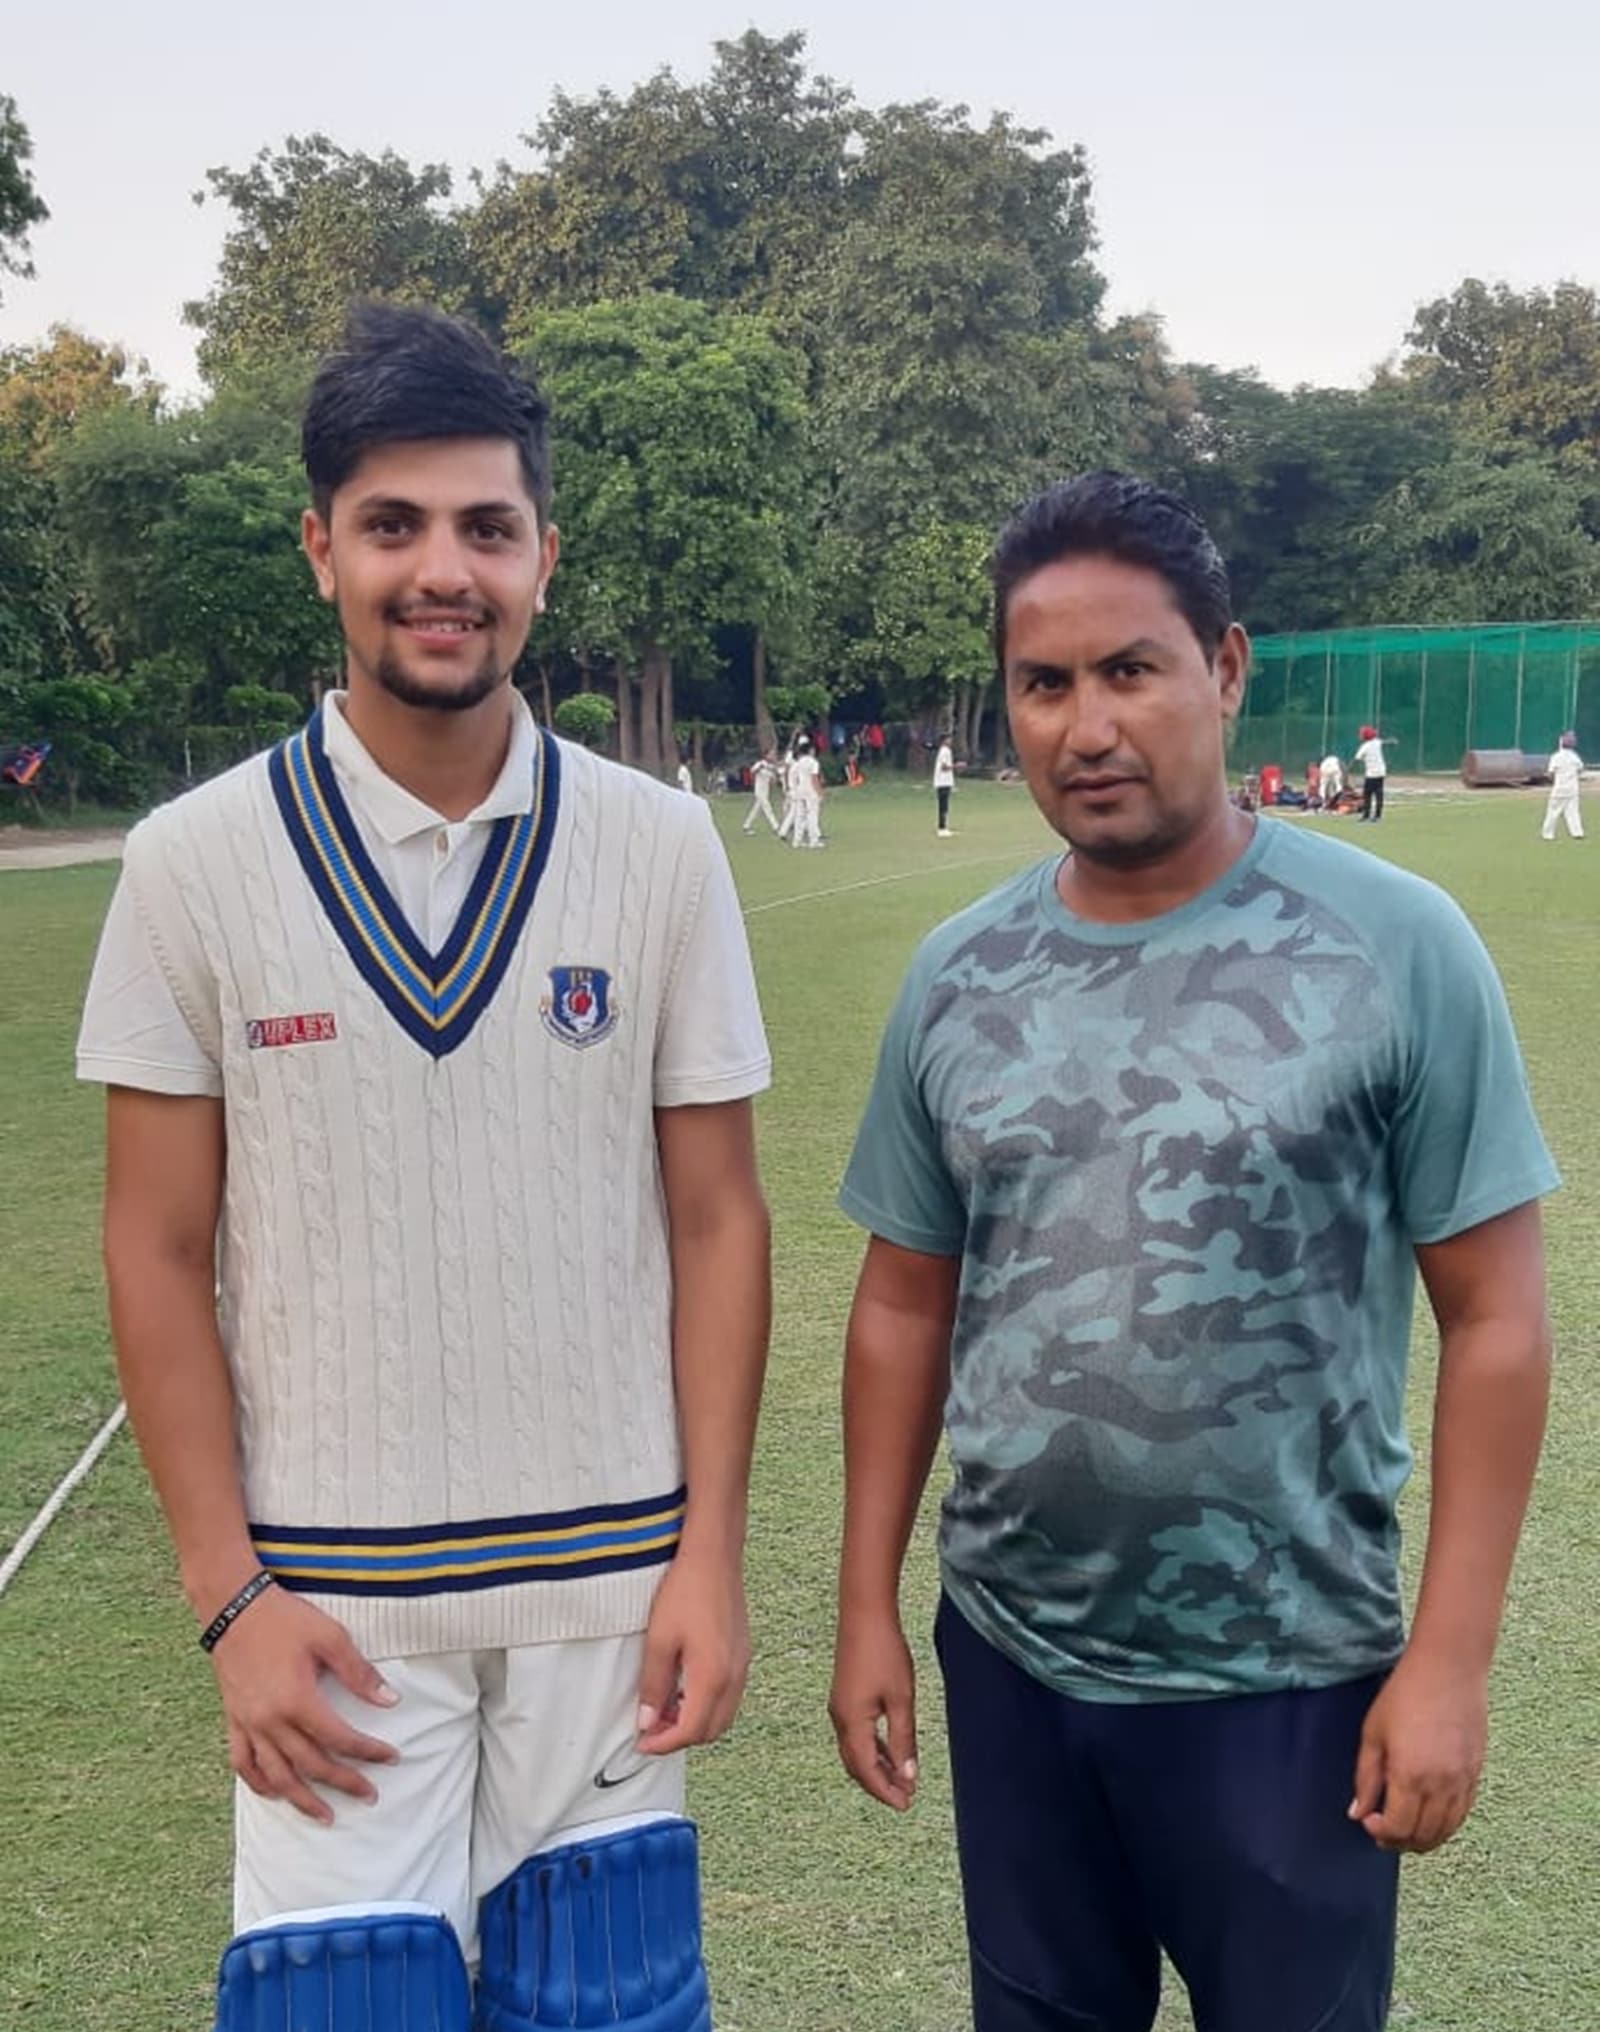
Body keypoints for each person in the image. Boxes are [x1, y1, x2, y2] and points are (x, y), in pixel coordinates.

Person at [76, 302, 773, 2032]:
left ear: (543, 553)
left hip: (608, 1592)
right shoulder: (191, 864)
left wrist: (709, 1558)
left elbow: (718, 1216)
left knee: (607, 2006)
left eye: (485, 526)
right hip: (326, 1614)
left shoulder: (664, 847)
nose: (440, 568)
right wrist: (226, 1591)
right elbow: (155, 1250)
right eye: (394, 525)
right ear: (321, 546)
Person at [830, 471, 1555, 2032]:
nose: (1087, 727)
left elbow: (1495, 1319)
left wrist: (1450, 1663)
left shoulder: (1399, 947)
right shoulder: (958, 979)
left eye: (1129, 671)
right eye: (1045, 684)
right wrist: (865, 1605)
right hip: (1018, 1661)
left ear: (1223, 670)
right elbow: (901, 1301)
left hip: (1288, 1680)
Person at [1541, 731, 1585, 841]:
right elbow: (1581, 769)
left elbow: (1551, 773)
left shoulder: (1556, 757)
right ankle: (1577, 832)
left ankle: (1548, 834)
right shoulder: (1575, 757)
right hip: (1572, 788)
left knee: (1553, 811)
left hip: (1560, 788)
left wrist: (1551, 778)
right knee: (1573, 811)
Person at [788, 734, 824, 849]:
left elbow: (792, 776)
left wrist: (793, 788)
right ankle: (813, 841)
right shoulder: (813, 762)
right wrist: (819, 792)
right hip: (810, 791)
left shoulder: (798, 762)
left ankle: (796, 841)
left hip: (800, 790)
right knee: (812, 815)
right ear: (810, 750)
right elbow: (814, 778)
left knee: (800, 816)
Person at [1353, 725, 1391, 822]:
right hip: (1381, 772)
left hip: (1371, 774)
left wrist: (1349, 769)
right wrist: (1392, 741)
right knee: (1379, 793)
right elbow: (1384, 742)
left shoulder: (1364, 747)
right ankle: (1377, 816)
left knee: (1367, 794)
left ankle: (1366, 815)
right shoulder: (1376, 742)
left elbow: (1357, 759)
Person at [743, 748, 782, 834]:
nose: (772, 756)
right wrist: (760, 768)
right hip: (759, 791)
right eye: (771, 754)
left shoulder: (771, 766)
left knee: (756, 809)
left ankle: (746, 825)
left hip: (766, 791)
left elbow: (775, 779)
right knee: (768, 808)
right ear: (766, 755)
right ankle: (776, 827)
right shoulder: (760, 763)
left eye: (773, 755)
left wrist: (775, 771)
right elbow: (752, 771)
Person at [933, 737, 956, 836]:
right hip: (943, 782)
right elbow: (944, 767)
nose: (950, 741)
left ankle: (943, 826)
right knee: (943, 805)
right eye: (948, 739)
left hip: (945, 781)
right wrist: (957, 766)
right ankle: (942, 828)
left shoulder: (945, 751)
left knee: (944, 805)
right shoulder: (945, 751)